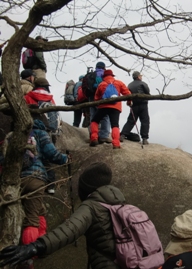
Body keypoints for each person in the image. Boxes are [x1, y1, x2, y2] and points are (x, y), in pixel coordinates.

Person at [0, 162, 126, 269]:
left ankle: (31, 259)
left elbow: (68, 230)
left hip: (108, 264)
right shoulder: (124, 204)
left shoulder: (91, 206)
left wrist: (35, 247)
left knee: (33, 217)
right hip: (134, 260)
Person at [0, 115, 69, 268]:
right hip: (35, 178)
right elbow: (52, 153)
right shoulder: (39, 133)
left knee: (40, 210)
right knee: (32, 218)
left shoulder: (11, 137)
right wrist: (65, 159)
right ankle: (28, 258)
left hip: (16, 181)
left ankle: (41, 244)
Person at [24, 77, 58, 194]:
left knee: (33, 155)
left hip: (32, 130)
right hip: (49, 130)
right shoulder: (50, 99)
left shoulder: (28, 96)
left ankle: (33, 181)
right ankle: (51, 185)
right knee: (49, 155)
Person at [90, 69, 131, 149]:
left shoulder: (101, 84)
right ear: (112, 76)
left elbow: (96, 98)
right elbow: (128, 94)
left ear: (104, 76)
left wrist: (99, 104)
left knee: (95, 120)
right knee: (115, 124)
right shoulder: (119, 83)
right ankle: (116, 144)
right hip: (116, 107)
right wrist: (129, 102)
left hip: (103, 106)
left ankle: (94, 138)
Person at [121, 71, 151, 145]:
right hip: (143, 104)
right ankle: (144, 138)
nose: (141, 77)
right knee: (145, 121)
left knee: (131, 121)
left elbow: (127, 94)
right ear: (138, 77)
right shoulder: (143, 83)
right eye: (140, 76)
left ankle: (122, 135)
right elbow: (148, 92)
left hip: (134, 105)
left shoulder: (130, 85)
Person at [87, 62, 112, 144]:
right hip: (100, 97)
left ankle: (93, 136)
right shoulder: (103, 74)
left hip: (91, 97)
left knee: (93, 116)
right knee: (105, 116)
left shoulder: (91, 74)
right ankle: (104, 136)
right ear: (104, 67)